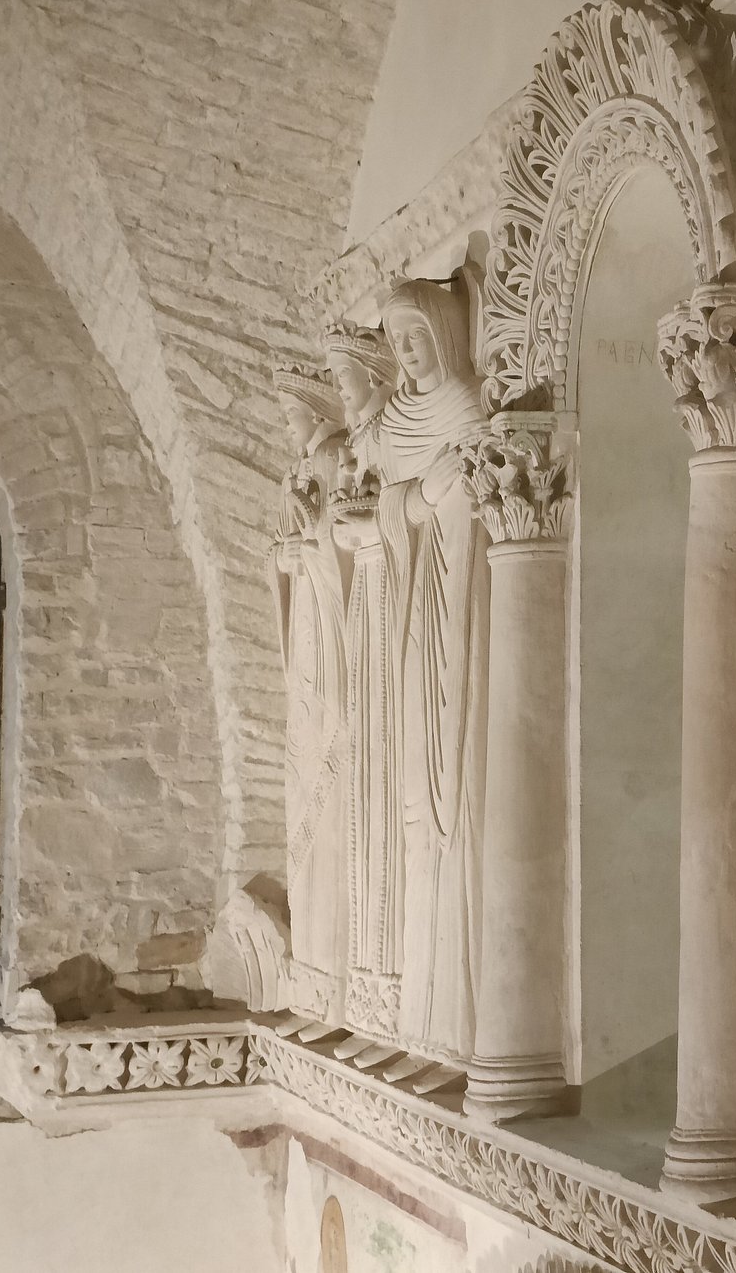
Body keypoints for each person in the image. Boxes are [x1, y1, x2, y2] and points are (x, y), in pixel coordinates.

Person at [377, 278, 489, 1064]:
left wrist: (438, 495)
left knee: (453, 776)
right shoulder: (394, 423)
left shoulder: (465, 404)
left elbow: (481, 477)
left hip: (462, 588)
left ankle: (458, 1014)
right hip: (415, 603)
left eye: (414, 336)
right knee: (416, 789)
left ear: (442, 333)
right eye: (395, 342)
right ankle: (421, 1018)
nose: (405, 352)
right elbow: (392, 507)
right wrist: (418, 497)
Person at [325, 322, 402, 1038]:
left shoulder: (396, 435)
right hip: (367, 615)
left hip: (394, 615)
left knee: (386, 792)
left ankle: (391, 995)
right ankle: (368, 988)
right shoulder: (365, 447)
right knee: (367, 796)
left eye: (349, 386)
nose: (345, 404)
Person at [267, 364, 351, 1022]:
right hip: (311, 634)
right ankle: (319, 962)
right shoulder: (307, 469)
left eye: (296, 416)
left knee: (325, 742)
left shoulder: (335, 459)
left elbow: (340, 548)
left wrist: (309, 537)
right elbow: (291, 552)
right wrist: (290, 545)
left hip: (330, 631)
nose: (292, 429)